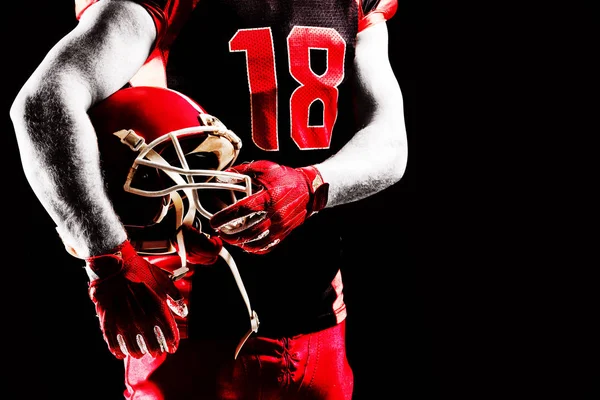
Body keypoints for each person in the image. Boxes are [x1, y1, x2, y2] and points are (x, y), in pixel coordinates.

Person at [9, 0, 408, 399]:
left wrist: (312, 184)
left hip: (317, 319)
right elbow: (45, 102)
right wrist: (107, 257)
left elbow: (389, 140)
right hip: (185, 330)